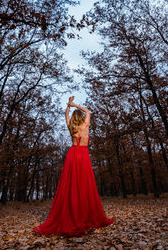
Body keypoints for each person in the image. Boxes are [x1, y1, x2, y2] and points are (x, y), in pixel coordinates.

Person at [33, 96, 115, 236]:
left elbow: (66, 115)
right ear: (81, 117)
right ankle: (83, 216)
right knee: (84, 185)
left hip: (72, 155)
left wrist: (68, 107)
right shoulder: (85, 125)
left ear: (73, 118)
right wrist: (74, 104)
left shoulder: (72, 126)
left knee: (71, 186)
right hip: (83, 155)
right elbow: (88, 111)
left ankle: (72, 215)